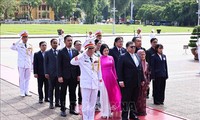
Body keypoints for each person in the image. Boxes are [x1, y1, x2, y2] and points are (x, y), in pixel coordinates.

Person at [70, 37, 102, 120]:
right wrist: (82, 53)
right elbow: (72, 62)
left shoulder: (96, 58)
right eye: (89, 49)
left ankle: (91, 118)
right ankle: (85, 118)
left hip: (94, 84)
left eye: (92, 48)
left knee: (92, 104)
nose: (91, 50)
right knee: (85, 103)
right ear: (86, 49)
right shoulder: (82, 58)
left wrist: (99, 83)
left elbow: (98, 72)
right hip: (86, 84)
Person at [117, 41, 144, 120]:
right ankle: (124, 116)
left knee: (134, 99)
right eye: (131, 47)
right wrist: (120, 80)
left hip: (136, 82)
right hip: (127, 82)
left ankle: (133, 114)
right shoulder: (123, 56)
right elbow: (119, 69)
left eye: (134, 47)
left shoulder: (137, 56)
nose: (133, 48)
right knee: (126, 100)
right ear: (127, 48)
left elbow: (140, 68)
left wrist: (142, 79)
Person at [57, 35, 80, 117]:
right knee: (63, 93)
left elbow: (78, 64)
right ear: (65, 41)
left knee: (73, 93)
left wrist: (78, 75)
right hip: (64, 76)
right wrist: (59, 76)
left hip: (73, 76)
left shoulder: (75, 51)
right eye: (68, 40)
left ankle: (72, 108)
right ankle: (63, 109)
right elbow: (59, 65)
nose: (70, 42)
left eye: (71, 40)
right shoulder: (61, 51)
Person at [99, 44, 121, 118]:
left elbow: (113, 68)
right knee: (104, 96)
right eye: (104, 50)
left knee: (113, 95)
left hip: (112, 78)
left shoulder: (111, 57)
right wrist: (99, 79)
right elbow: (98, 70)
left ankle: (112, 110)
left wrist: (116, 78)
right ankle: (105, 112)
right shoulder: (99, 59)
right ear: (101, 51)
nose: (106, 52)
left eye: (107, 50)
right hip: (104, 78)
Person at [10, 31, 33, 97]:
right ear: (22, 38)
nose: (25, 38)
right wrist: (19, 39)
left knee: (28, 78)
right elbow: (12, 47)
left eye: (26, 37)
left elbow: (31, 56)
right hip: (21, 64)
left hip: (28, 64)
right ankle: (22, 91)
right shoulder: (19, 45)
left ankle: (27, 91)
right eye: (24, 37)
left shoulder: (30, 45)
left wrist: (32, 65)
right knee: (22, 78)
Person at [44, 39, 61, 109]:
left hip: (58, 74)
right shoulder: (47, 52)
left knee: (58, 89)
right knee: (51, 88)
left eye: (56, 43)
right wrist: (46, 72)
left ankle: (57, 102)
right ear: (51, 44)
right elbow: (45, 63)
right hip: (51, 74)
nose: (55, 44)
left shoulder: (60, 52)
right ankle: (51, 103)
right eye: (54, 43)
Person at [136, 50, 150, 116]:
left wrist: (148, 83)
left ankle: (142, 111)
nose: (143, 56)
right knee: (137, 97)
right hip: (138, 83)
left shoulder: (146, 63)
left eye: (144, 54)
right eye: (141, 54)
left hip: (145, 83)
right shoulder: (136, 63)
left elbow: (148, 74)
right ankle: (136, 111)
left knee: (143, 98)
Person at [74, 40, 83, 105]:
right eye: (77, 45)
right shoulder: (73, 53)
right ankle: (74, 101)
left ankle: (80, 100)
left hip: (82, 73)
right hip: (74, 73)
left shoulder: (83, 53)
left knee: (81, 88)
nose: (79, 46)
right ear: (74, 46)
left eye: (80, 45)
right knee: (73, 88)